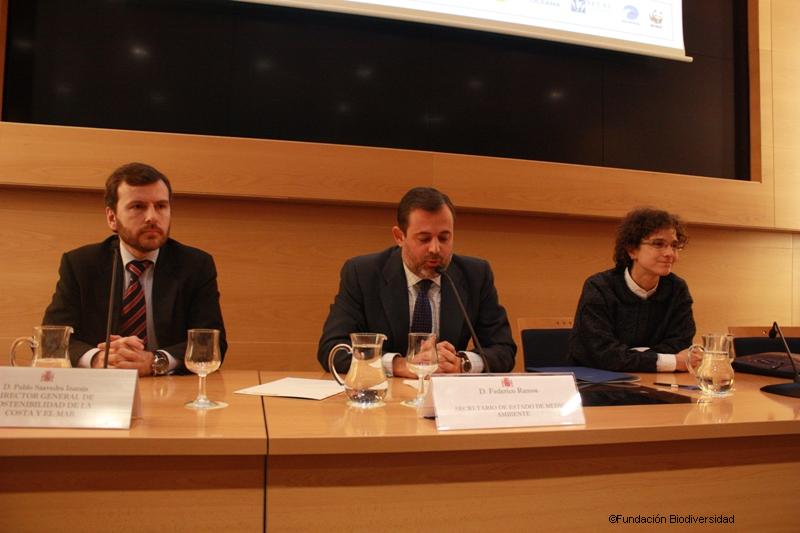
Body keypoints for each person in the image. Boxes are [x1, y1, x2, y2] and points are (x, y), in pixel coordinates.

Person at [42, 162, 227, 376]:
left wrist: (154, 361)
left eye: (161, 206)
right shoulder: (81, 264)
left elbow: (211, 343)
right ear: (112, 218)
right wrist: (99, 359)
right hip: (100, 386)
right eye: (138, 206)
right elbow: (51, 340)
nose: (152, 217)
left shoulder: (195, 265)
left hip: (169, 387)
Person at [318, 187, 516, 377]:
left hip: (447, 394)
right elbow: (333, 349)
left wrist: (461, 363)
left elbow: (504, 350)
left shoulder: (475, 275)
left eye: (444, 238)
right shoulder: (363, 274)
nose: (435, 249)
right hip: (388, 395)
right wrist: (398, 365)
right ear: (399, 236)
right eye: (424, 239)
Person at [567, 207, 696, 372]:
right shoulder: (599, 287)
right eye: (658, 244)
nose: (670, 253)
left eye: (674, 245)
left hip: (656, 380)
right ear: (632, 249)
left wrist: (629, 357)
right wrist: (670, 361)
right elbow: (604, 354)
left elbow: (681, 344)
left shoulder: (677, 288)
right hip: (595, 382)